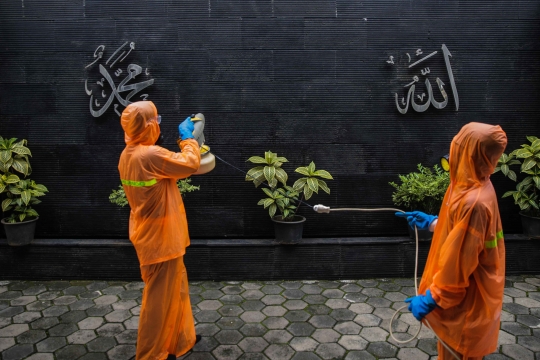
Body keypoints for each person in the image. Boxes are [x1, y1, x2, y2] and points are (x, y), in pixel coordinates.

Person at [395, 122, 507, 360]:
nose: (452, 152)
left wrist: (433, 298)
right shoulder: (470, 184)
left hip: (468, 303)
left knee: (458, 353)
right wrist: (434, 223)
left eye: (458, 146)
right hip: (467, 299)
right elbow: (462, 233)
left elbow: (459, 266)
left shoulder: (474, 202)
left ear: (469, 153)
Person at [118, 101, 201, 360]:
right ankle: (150, 355)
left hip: (154, 235)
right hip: (161, 240)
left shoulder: (129, 154)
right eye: (156, 119)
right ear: (147, 125)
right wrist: (188, 139)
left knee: (176, 290)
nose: (159, 123)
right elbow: (190, 164)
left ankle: (180, 341)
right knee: (157, 301)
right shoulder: (149, 155)